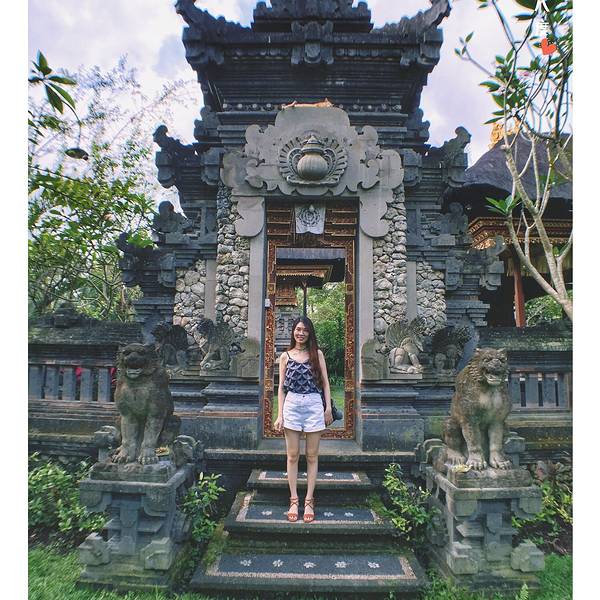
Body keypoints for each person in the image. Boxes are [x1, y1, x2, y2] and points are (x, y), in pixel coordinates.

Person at [273, 316, 333, 523]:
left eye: (305, 330)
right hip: (292, 405)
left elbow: (325, 383)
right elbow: (281, 388)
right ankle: (293, 499)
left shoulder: (317, 354)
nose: (301, 333)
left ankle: (308, 500)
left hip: (314, 404)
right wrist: (280, 414)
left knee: (312, 456)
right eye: (298, 329)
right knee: (292, 456)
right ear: (293, 331)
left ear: (310, 333)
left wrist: (327, 408)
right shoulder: (285, 356)